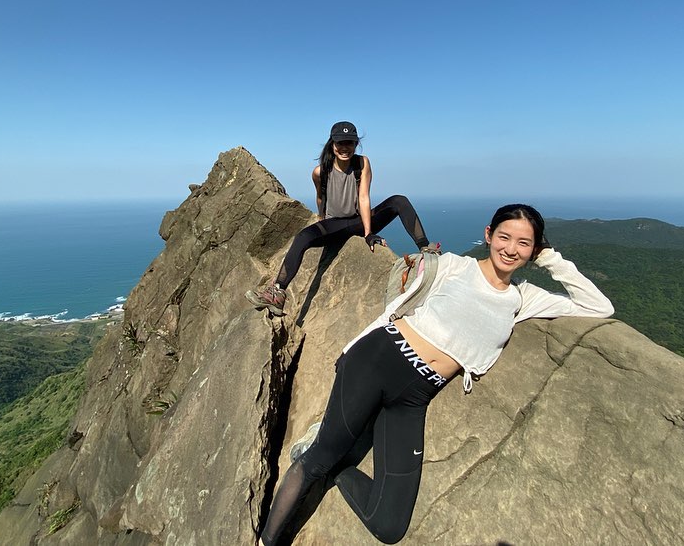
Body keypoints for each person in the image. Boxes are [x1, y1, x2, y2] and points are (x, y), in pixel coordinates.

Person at [259, 204, 614, 545]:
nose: (511, 249)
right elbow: (396, 309)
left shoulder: (524, 298)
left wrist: (550, 258)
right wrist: (351, 350)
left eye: (524, 243)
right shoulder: (454, 266)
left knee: (390, 524)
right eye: (504, 237)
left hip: (414, 397)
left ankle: (335, 469)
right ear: (489, 235)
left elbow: (599, 307)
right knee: (318, 458)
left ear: (534, 249)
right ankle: (268, 538)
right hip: (378, 359)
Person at [246, 121, 436, 316]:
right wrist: (321, 219)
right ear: (332, 144)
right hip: (335, 224)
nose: (345, 148)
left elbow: (363, 197)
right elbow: (320, 196)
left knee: (399, 201)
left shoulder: (362, 163)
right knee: (303, 237)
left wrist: (368, 233)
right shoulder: (320, 172)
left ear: (355, 144)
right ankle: (278, 292)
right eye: (340, 143)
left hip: (361, 220)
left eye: (350, 143)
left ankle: (425, 247)